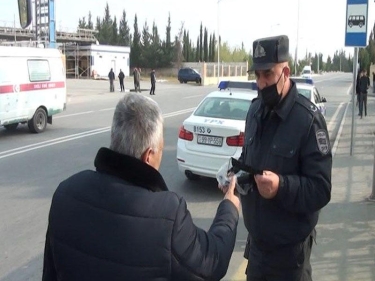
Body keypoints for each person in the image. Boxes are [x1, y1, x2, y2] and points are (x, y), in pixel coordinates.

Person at [42, 93, 240, 281]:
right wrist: (229, 207)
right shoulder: (167, 214)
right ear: (148, 155)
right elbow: (211, 262)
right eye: (161, 149)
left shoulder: (65, 193)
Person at [222, 35, 332, 281]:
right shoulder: (254, 111)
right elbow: (250, 162)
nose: (261, 83)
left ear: (286, 72)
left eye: (268, 75)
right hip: (257, 252)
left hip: (290, 260)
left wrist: (282, 186)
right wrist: (235, 179)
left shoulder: (308, 121)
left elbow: (321, 189)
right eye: (257, 75)